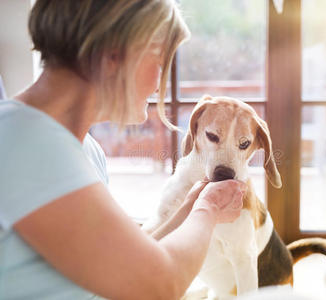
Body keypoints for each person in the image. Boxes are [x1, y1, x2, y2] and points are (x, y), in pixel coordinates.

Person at [0, 1, 246, 299]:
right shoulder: (26, 141)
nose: (159, 85)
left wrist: (192, 206)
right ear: (113, 53)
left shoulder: (85, 150)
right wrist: (209, 210)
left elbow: (125, 260)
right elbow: (157, 284)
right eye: (159, 62)